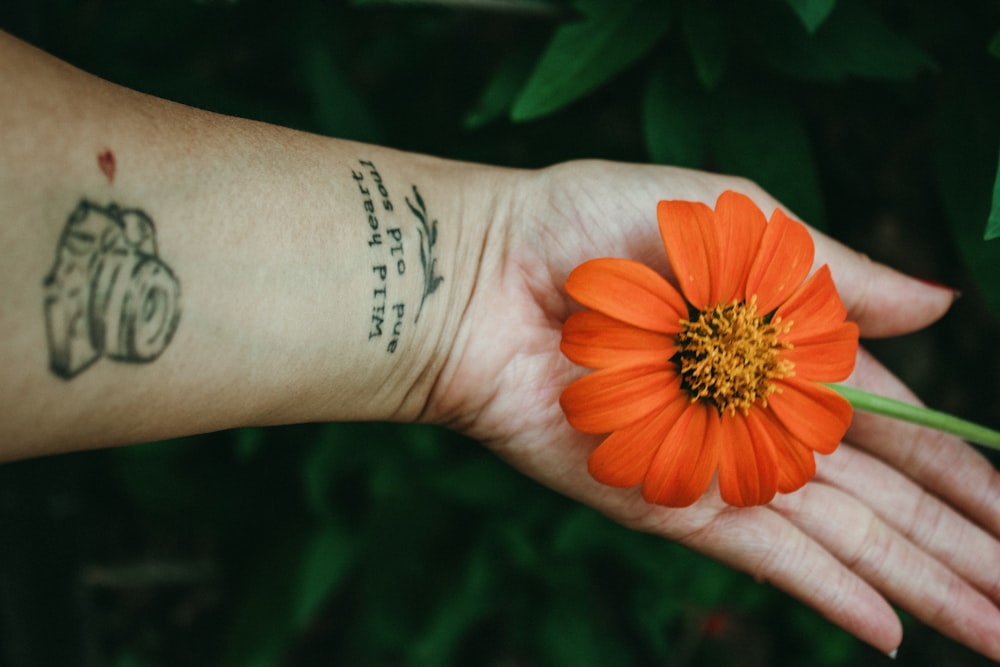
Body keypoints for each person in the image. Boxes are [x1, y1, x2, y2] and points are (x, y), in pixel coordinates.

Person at [1, 28, 998, 661]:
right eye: (745, 347)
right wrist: (474, 275)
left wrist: (470, 284)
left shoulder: (761, 399)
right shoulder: (702, 303)